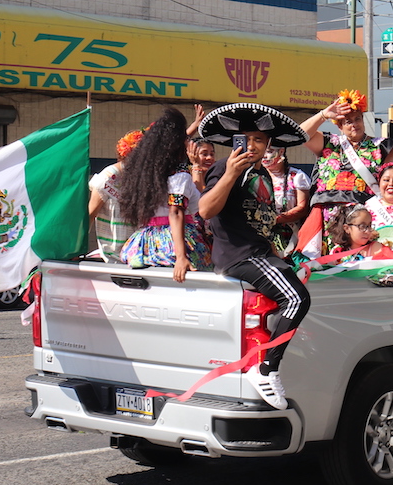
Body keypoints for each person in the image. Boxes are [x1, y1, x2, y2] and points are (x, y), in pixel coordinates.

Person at [197, 102, 311, 410]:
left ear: (268, 145)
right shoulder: (224, 167)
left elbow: (262, 224)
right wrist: (231, 173)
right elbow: (206, 210)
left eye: (258, 140)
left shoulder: (263, 175)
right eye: (245, 138)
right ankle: (266, 370)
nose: (251, 145)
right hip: (239, 257)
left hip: (261, 252)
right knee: (297, 298)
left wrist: (282, 256)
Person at [297, 89, 393, 256]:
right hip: (327, 221)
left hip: (362, 222)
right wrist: (324, 115)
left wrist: (390, 201)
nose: (354, 124)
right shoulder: (329, 143)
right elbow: (301, 134)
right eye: (348, 121)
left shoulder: (379, 146)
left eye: (357, 119)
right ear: (339, 125)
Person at [116, 106, 213, 282]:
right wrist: (181, 256)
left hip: (144, 244)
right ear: (177, 144)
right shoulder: (180, 178)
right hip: (174, 244)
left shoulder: (145, 177)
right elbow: (175, 212)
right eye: (185, 138)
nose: (189, 142)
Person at [87, 129, 144, 261]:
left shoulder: (143, 179)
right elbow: (90, 214)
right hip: (113, 258)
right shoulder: (108, 178)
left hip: (138, 256)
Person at [261, 148, 312, 256]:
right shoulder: (255, 177)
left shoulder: (296, 176)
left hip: (292, 236)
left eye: (269, 151)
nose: (264, 156)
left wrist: (275, 219)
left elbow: (302, 208)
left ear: (281, 151)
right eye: (263, 151)